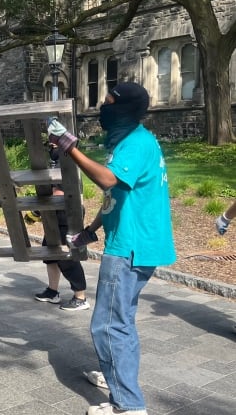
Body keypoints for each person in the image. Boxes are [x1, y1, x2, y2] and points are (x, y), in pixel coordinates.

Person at [48, 81, 175, 415]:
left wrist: (68, 146)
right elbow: (117, 195)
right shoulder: (132, 142)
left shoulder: (136, 142)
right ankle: (115, 376)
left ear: (124, 107)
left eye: (108, 103)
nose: (103, 109)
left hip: (131, 247)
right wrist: (91, 230)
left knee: (107, 325)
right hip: (138, 242)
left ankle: (129, 406)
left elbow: (106, 180)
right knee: (122, 321)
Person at [32, 148, 91, 311]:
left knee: (67, 257)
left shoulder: (64, 162)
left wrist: (37, 210)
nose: (51, 144)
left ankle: (81, 297)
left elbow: (58, 193)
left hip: (66, 216)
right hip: (56, 217)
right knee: (50, 255)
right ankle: (52, 291)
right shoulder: (57, 160)